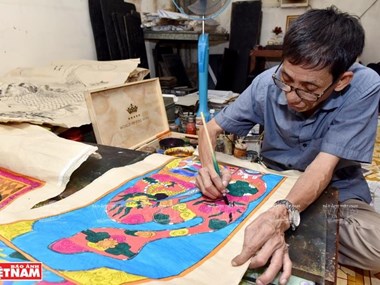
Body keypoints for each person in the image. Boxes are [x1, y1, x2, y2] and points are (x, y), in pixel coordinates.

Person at [196, 6, 380, 285]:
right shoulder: (266, 83)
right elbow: (209, 129)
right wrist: (209, 168)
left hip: (333, 191)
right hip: (274, 185)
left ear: (341, 81)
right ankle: (271, 226)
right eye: (286, 80)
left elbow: (323, 166)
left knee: (376, 247)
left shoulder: (365, 86)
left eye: (308, 88)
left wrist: (283, 215)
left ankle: (271, 227)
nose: (292, 96)